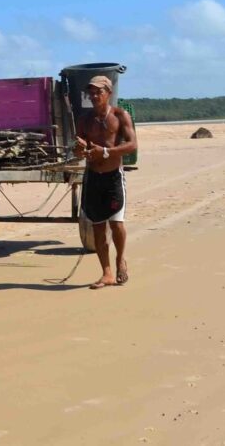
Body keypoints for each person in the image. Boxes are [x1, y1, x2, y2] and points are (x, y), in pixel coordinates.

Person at [74, 75, 138, 290]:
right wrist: (80, 148)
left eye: (98, 92)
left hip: (113, 177)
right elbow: (78, 148)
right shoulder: (84, 119)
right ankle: (106, 273)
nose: (93, 96)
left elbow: (132, 145)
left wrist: (106, 151)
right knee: (98, 226)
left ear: (108, 93)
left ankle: (120, 259)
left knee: (116, 223)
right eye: (90, 92)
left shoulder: (120, 116)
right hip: (93, 177)